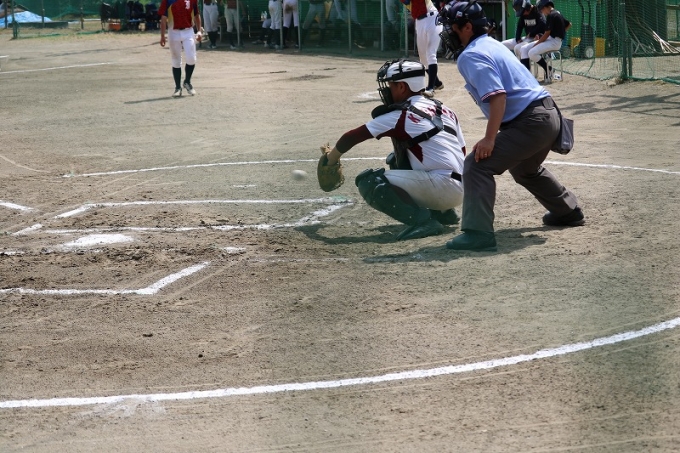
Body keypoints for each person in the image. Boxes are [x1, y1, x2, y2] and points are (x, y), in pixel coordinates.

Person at [437, 2, 584, 251]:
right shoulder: (489, 43)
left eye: (452, 27)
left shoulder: (471, 55)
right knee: (524, 169)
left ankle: (478, 234)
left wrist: (489, 139)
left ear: (467, 27)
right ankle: (567, 211)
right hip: (547, 115)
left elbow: (498, 96)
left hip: (531, 122)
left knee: (476, 165)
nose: (448, 32)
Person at [320, 59, 466, 241]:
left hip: (442, 188)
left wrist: (331, 159)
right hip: (462, 187)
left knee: (370, 182)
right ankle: (444, 212)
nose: (387, 90)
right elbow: (462, 150)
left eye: (390, 85)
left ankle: (422, 221)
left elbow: (352, 136)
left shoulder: (401, 115)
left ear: (402, 87)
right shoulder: (444, 109)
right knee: (396, 159)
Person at [400, 0, 443, 98]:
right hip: (419, 21)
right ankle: (437, 82)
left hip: (433, 18)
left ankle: (430, 88)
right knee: (423, 58)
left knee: (431, 53)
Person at [159, 0, 202, 97]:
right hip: (173, 31)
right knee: (176, 59)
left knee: (191, 58)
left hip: (188, 30)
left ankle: (187, 81)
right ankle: (178, 87)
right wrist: (162, 35)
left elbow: (196, 14)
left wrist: (199, 30)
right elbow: (163, 18)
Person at [529, 0, 571, 81]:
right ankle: (549, 69)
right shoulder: (557, 13)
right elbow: (569, 24)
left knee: (531, 52)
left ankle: (549, 69)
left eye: (541, 9)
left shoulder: (551, 15)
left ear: (545, 7)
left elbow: (546, 34)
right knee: (532, 50)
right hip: (555, 40)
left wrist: (537, 44)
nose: (541, 12)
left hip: (554, 42)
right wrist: (561, 32)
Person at [501, 0, 546, 72]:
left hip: (537, 38)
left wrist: (532, 33)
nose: (523, 14)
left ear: (527, 7)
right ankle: (509, 69)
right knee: (502, 44)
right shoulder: (523, 15)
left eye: (523, 11)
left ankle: (525, 72)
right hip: (527, 38)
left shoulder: (537, 11)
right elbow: (519, 27)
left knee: (518, 48)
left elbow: (543, 24)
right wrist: (518, 38)